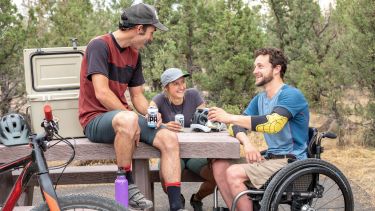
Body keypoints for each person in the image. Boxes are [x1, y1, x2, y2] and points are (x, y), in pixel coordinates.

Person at [78, 3, 186, 211]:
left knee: (169, 138)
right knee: (128, 119)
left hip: (123, 119)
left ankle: (176, 206)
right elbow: (101, 92)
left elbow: (137, 97)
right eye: (151, 32)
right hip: (94, 119)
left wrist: (152, 114)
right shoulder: (99, 45)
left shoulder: (135, 55)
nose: (151, 38)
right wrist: (133, 117)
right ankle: (126, 183)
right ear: (139, 28)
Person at [208, 47, 309, 211]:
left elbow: (272, 124)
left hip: (291, 162)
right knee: (219, 164)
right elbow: (236, 126)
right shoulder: (260, 99)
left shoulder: (291, 95)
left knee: (233, 173)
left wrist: (229, 117)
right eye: (255, 67)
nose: (255, 71)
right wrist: (247, 143)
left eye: (260, 66)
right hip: (271, 158)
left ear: (277, 69)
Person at [150, 68, 216, 211]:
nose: (182, 87)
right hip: (171, 154)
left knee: (216, 177)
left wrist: (211, 155)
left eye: (183, 82)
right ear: (166, 87)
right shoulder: (159, 99)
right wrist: (164, 125)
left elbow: (205, 121)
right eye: (176, 84)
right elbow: (149, 118)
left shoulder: (193, 95)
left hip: (195, 154)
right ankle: (177, 199)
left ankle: (196, 198)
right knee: (164, 178)